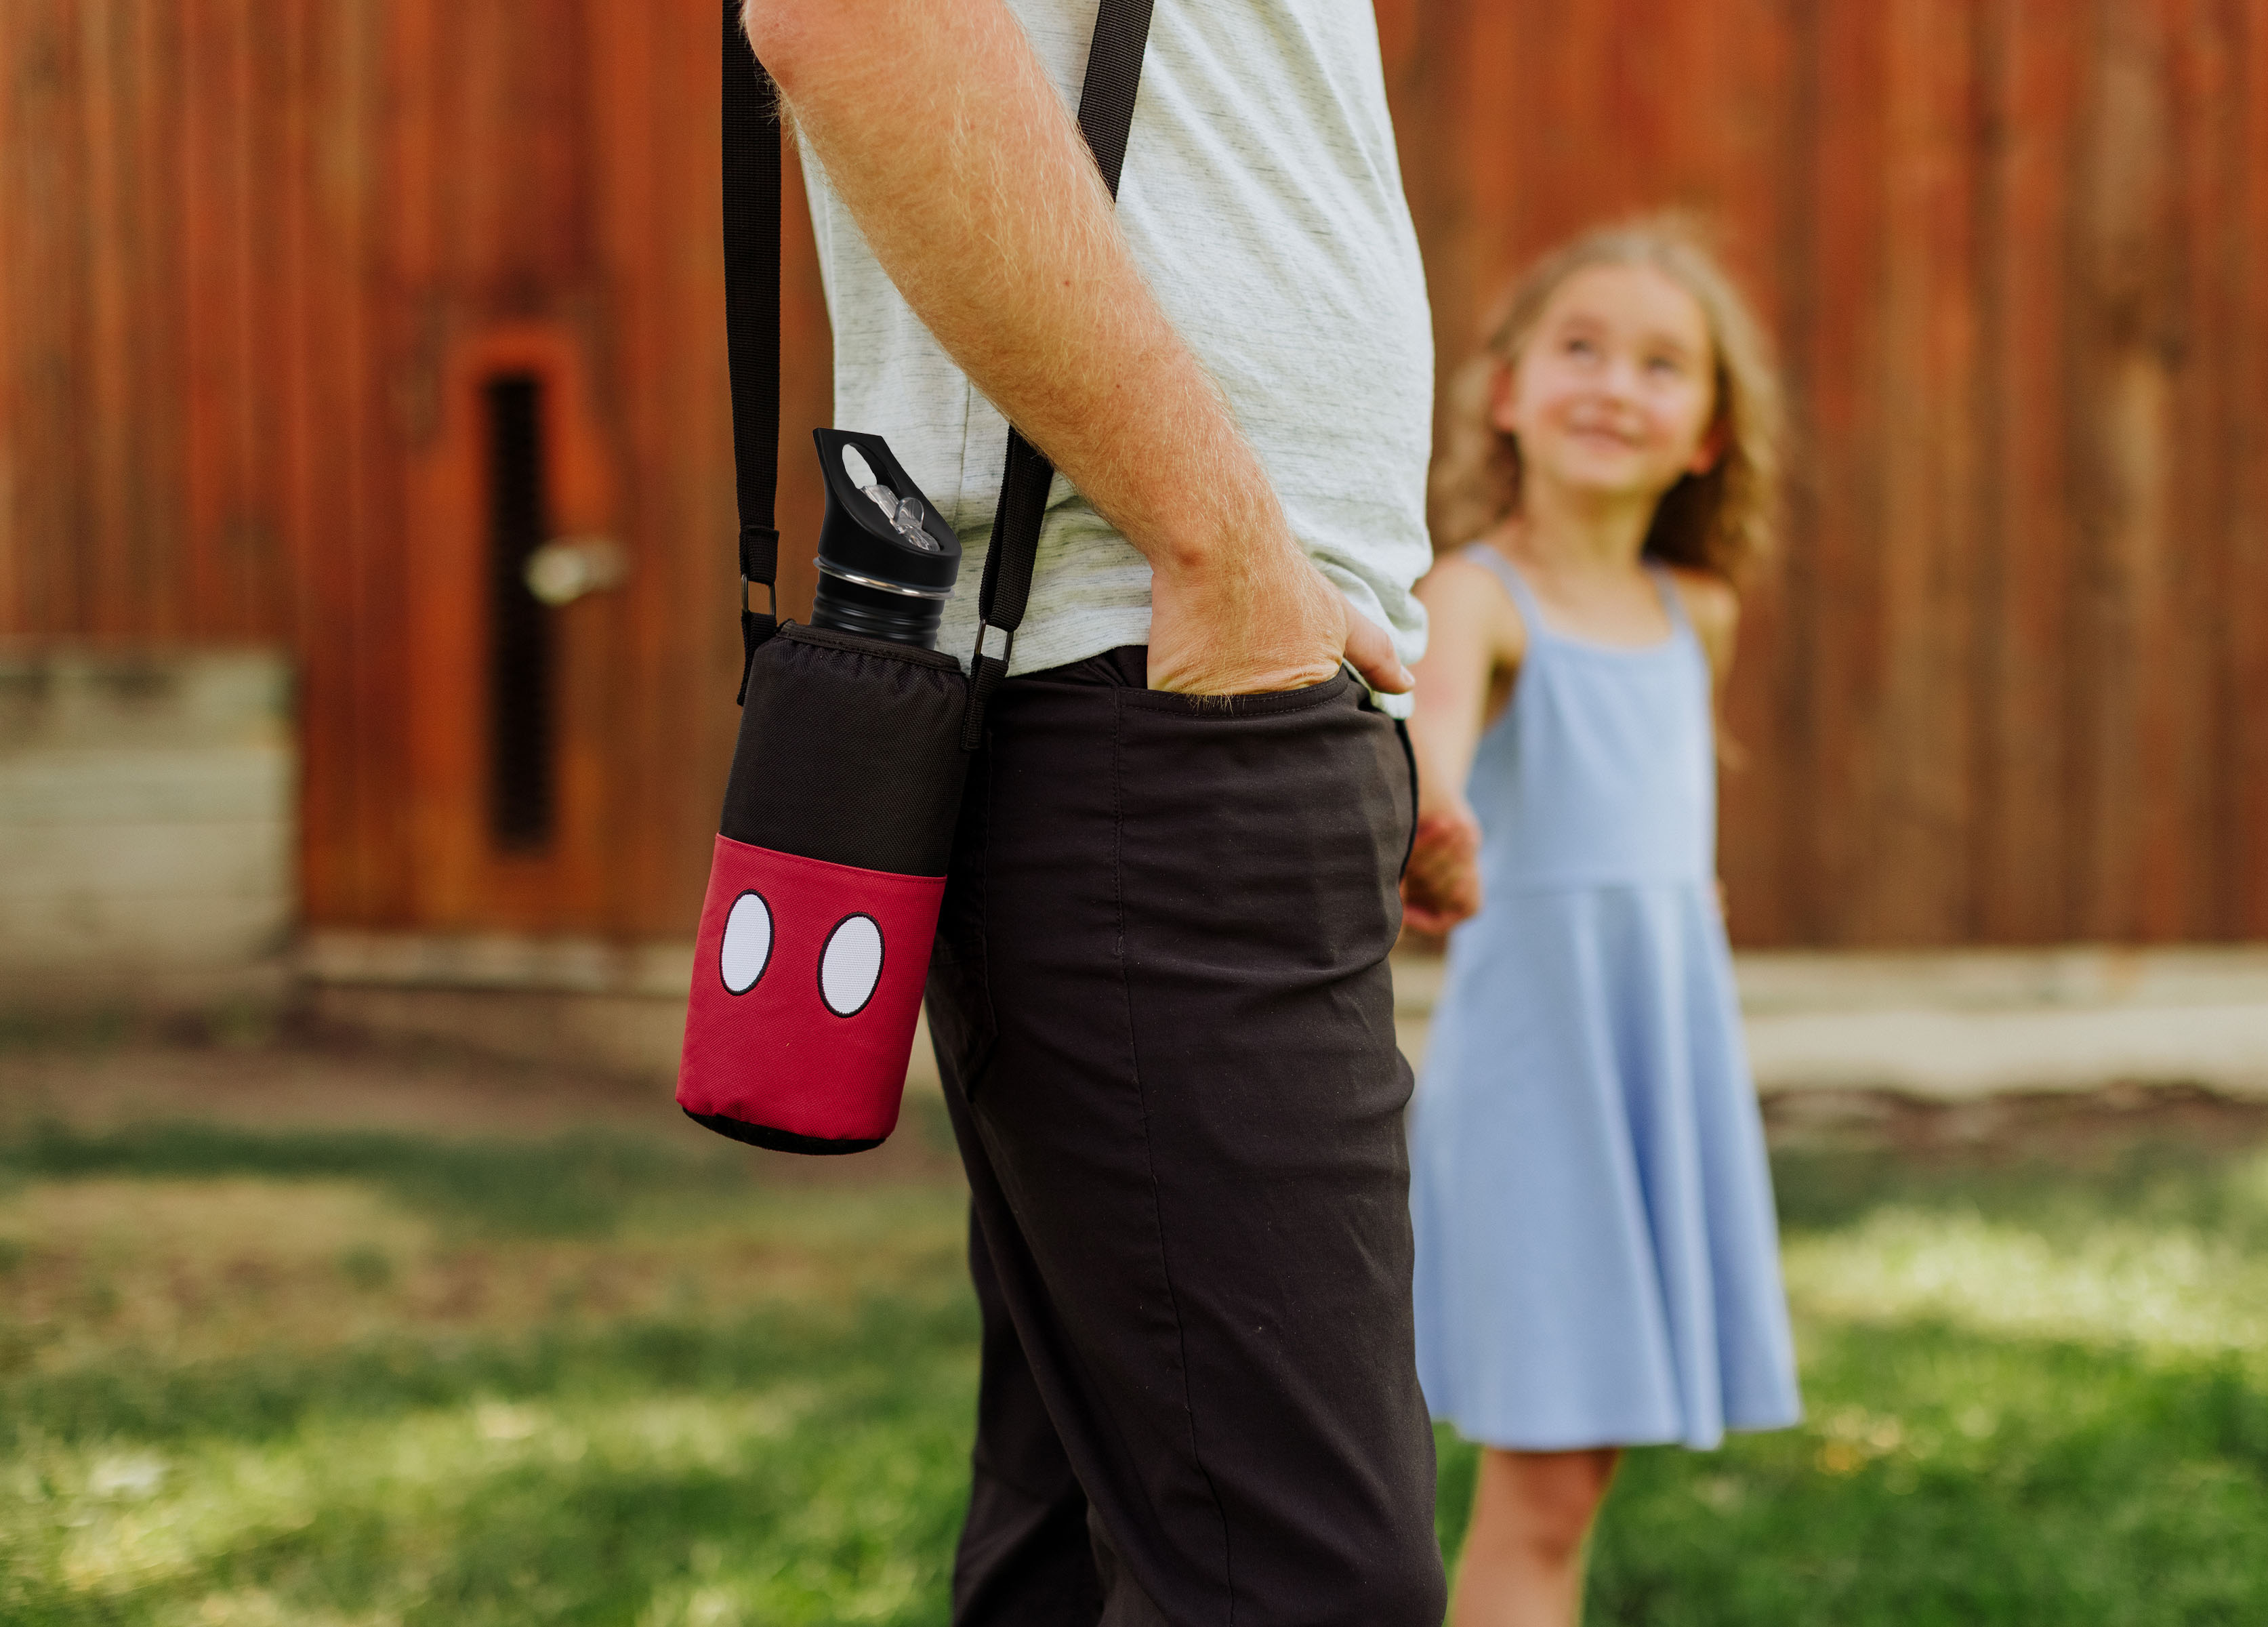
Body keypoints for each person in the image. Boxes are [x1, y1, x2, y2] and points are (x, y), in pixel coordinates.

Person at [739, 1, 1443, 1623]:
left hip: (1201, 678)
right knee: (1301, 1586)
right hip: (1156, 681)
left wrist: (1337, 641)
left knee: (1083, 1558)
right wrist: (1227, 554)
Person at [1398, 219, 1805, 1627]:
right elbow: (1433, 736)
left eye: (1660, 363)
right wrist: (1439, 815)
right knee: (1548, 1485)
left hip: (1658, 1061)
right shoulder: (1475, 594)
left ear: (1707, 433)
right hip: (1543, 1077)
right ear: (1505, 389)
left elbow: (1663, 833)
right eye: (1579, 347)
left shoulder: (1698, 614)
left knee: (1581, 1472)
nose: (1613, 383)